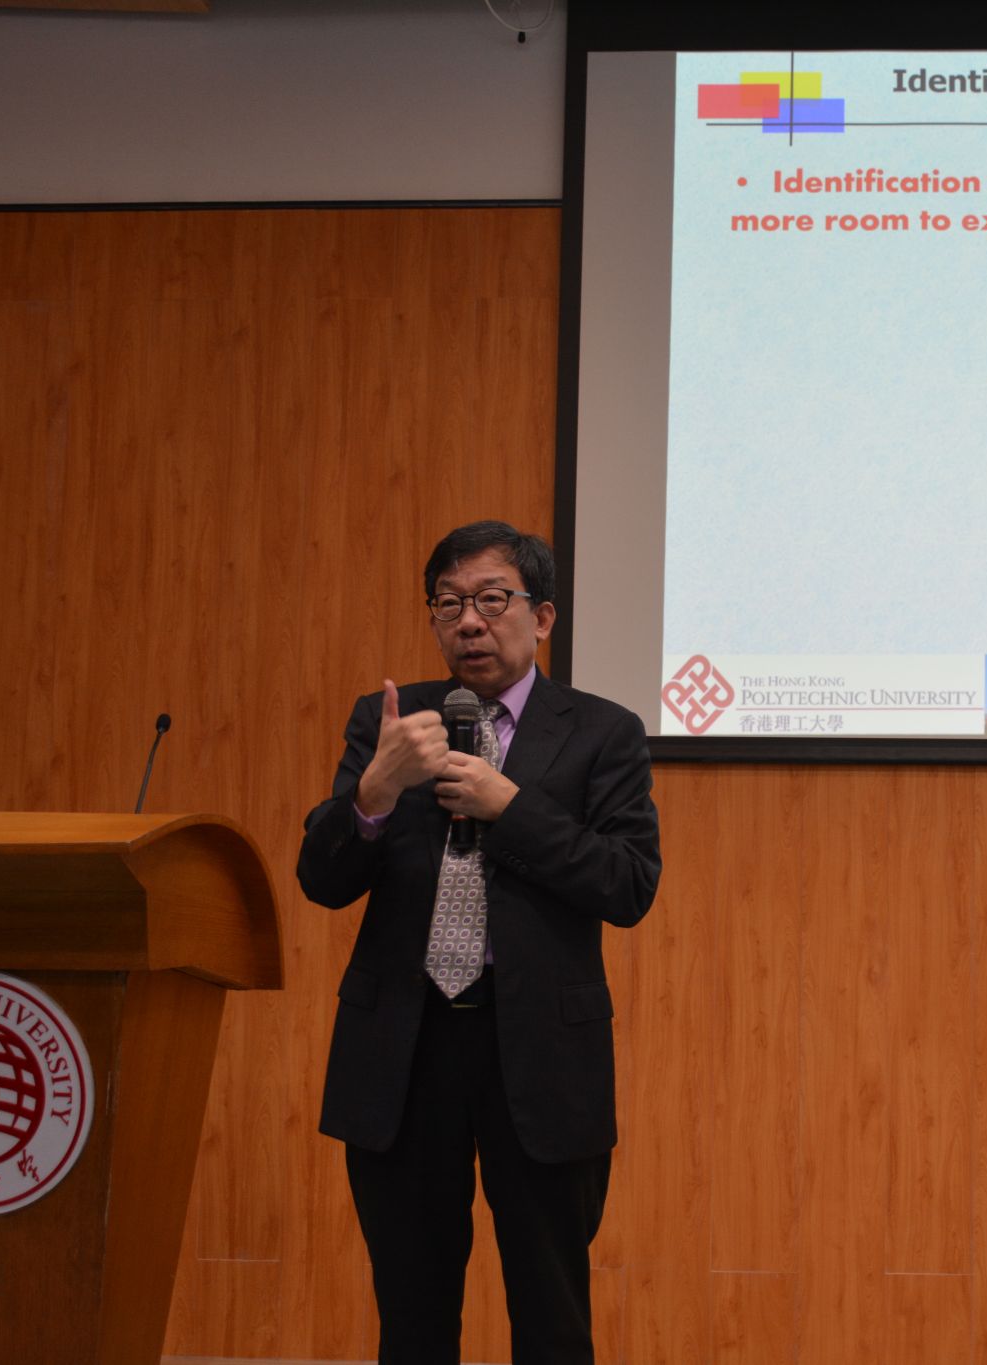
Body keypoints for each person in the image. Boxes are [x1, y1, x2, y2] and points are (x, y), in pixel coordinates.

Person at [297, 520, 661, 1365]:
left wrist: (512, 807)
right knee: (412, 1315)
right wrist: (375, 790)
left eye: (492, 599)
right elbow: (322, 878)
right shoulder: (391, 722)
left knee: (552, 1315)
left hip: (539, 1053)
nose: (469, 621)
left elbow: (628, 883)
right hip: (405, 1047)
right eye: (449, 603)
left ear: (543, 616)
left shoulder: (602, 731)